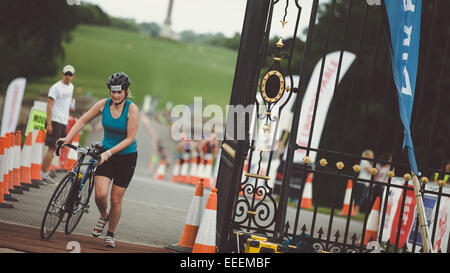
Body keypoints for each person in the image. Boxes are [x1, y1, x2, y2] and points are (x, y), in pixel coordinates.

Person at [58, 72, 139, 248]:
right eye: (113, 92)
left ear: (126, 92)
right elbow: (82, 121)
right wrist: (68, 138)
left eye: (119, 92)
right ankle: (104, 216)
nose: (116, 95)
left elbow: (129, 138)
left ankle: (110, 234)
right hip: (105, 153)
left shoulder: (132, 109)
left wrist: (108, 153)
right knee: (100, 195)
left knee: (116, 200)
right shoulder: (103, 104)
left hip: (126, 156)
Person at [41, 65, 76, 184]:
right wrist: (49, 123)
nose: (67, 76)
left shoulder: (71, 87)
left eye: (70, 74)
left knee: (56, 148)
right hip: (55, 120)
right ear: (62, 74)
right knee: (52, 148)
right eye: (66, 74)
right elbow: (49, 105)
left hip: (63, 121)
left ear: (73, 76)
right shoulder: (56, 87)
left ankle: (45, 172)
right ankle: (43, 174)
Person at [354, 149, 375, 215]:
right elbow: (369, 170)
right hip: (362, 181)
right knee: (360, 197)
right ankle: (356, 211)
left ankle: (356, 210)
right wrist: (374, 171)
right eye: (371, 155)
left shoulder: (368, 163)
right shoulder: (364, 161)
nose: (372, 157)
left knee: (362, 197)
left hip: (366, 182)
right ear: (367, 155)